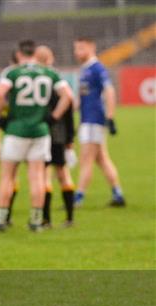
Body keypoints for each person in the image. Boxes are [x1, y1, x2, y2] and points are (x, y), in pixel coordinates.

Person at [0, 40, 71, 232]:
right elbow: (68, 96)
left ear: (19, 54)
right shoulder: (50, 73)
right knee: (37, 177)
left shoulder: (12, 72)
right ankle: (35, 221)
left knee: (7, 177)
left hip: (15, 131)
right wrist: (53, 117)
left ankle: (0, 220)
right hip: (40, 131)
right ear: (35, 53)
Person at [73, 37, 125, 207]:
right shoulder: (85, 69)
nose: (77, 52)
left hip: (93, 119)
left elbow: (109, 90)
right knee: (101, 158)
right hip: (87, 119)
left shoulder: (97, 68)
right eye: (76, 48)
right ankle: (118, 193)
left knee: (86, 159)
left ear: (91, 47)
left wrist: (110, 116)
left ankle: (78, 197)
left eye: (81, 48)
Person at [35, 45, 76, 227]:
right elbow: (69, 107)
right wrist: (70, 137)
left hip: (42, 132)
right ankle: (69, 218)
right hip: (59, 133)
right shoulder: (58, 79)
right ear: (50, 58)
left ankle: (46, 219)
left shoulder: (36, 78)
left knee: (44, 175)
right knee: (63, 173)